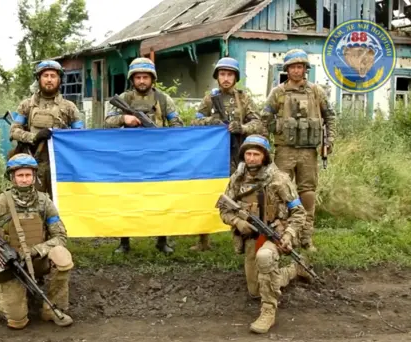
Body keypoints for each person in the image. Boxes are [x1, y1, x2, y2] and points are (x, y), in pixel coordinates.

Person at [0, 153, 74, 330]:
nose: (24, 179)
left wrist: (36, 250)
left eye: (28, 175)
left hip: (37, 259)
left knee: (62, 255)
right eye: (20, 175)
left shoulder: (44, 202)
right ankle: (2, 292)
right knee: (17, 321)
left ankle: (53, 308)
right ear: (12, 177)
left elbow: (60, 237)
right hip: (10, 264)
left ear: (34, 176)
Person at [217, 135, 312, 334]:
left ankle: (268, 311)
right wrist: (238, 221)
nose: (251, 158)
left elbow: (299, 212)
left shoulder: (279, 179)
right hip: (252, 237)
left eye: (256, 154)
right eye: (248, 154)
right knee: (255, 291)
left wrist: (288, 235)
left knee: (265, 257)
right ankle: (294, 270)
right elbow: (224, 209)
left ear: (264, 157)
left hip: (277, 232)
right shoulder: (237, 179)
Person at [104, 57, 184, 254]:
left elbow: (177, 125)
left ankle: (162, 240)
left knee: (161, 198)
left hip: (157, 157)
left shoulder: (164, 99)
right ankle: (124, 242)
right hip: (128, 156)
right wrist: (125, 118)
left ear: (152, 79)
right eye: (138, 77)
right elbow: (107, 121)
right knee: (127, 199)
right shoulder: (124, 98)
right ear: (132, 79)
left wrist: (163, 136)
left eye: (145, 77)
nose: (141, 81)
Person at [260, 49, 337, 253]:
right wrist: (270, 137)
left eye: (300, 66)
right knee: (281, 192)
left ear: (305, 69)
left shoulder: (316, 92)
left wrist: (329, 140)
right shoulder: (278, 93)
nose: (297, 70)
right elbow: (264, 118)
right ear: (287, 69)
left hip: (308, 152)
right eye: (293, 67)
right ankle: (283, 235)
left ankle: (306, 237)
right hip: (285, 150)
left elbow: (330, 116)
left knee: (308, 193)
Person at [190, 57, 265, 252]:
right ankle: (203, 240)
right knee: (208, 193)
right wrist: (211, 122)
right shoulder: (209, 99)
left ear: (235, 77)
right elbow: (194, 123)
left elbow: (258, 124)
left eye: (229, 74)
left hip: (237, 155)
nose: (225, 78)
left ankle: (240, 235)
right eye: (222, 74)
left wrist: (242, 128)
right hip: (214, 156)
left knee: (240, 196)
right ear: (217, 77)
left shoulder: (243, 98)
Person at [9, 60, 85, 199]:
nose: (49, 79)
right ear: (39, 79)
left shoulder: (69, 107)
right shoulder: (27, 105)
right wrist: (34, 137)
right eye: (45, 76)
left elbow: (80, 136)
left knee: (60, 202)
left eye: (53, 76)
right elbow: (14, 131)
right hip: (33, 163)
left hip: (60, 165)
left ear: (59, 79)